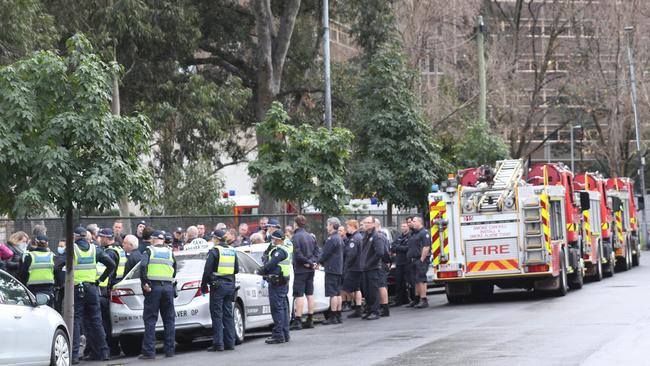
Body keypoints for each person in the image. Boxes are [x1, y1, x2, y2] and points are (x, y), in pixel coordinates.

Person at [65, 226, 116, 364]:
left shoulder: (72, 249)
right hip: (92, 289)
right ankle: (104, 352)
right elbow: (111, 264)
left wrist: (64, 283)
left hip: (76, 289)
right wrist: (99, 280)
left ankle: (74, 355)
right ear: (86, 237)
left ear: (75, 236)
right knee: (96, 320)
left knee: (75, 321)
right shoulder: (94, 249)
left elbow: (58, 266)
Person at [139, 230, 177, 359]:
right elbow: (175, 269)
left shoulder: (150, 251)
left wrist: (145, 283)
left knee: (150, 320)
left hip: (153, 288)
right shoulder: (169, 252)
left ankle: (149, 352)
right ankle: (170, 350)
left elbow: (143, 266)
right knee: (169, 319)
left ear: (153, 239)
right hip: (168, 287)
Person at [201, 230, 239, 352]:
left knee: (217, 315)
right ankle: (230, 343)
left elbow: (207, 270)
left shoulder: (215, 251)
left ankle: (218, 344)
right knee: (228, 314)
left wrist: (203, 285)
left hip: (218, 287)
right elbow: (236, 269)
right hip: (230, 286)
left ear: (216, 239)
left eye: (213, 238)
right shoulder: (232, 250)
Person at [256, 230, 291, 344]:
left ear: (277, 239)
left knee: (277, 309)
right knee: (283, 309)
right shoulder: (286, 248)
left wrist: (262, 270)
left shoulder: (279, 251)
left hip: (277, 283)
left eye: (273, 239)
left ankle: (278, 335)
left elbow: (272, 263)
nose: (272, 240)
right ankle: (285, 334)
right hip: (282, 282)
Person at [97, 228, 126, 355]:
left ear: (105, 238)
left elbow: (108, 270)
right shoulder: (119, 249)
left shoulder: (110, 252)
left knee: (106, 320)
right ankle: (114, 347)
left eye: (101, 237)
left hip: (109, 288)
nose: (99, 239)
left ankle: (112, 347)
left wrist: (100, 282)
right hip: (117, 286)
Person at [290, 215, 320, 330]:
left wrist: (307, 262)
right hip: (310, 269)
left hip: (301, 269)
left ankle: (298, 320)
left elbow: (297, 254)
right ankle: (310, 319)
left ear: (295, 224)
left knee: (299, 295)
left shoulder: (296, 237)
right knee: (310, 293)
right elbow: (318, 251)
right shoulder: (310, 236)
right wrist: (313, 262)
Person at [359, 216, 387, 321]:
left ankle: (375, 311)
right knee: (367, 291)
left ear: (373, 224)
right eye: (365, 222)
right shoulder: (365, 236)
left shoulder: (376, 236)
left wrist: (369, 263)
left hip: (373, 268)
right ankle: (369, 310)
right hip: (365, 268)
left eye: (368, 222)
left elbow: (380, 253)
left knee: (373, 290)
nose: (366, 224)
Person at [319, 218, 344, 325]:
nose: (326, 227)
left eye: (328, 225)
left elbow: (325, 254)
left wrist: (318, 262)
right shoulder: (339, 238)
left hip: (331, 268)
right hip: (338, 268)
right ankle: (338, 315)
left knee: (333, 294)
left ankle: (333, 316)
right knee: (337, 293)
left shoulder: (331, 239)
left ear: (332, 225)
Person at [18, 235, 55, 305]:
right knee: (48, 310)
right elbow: (56, 272)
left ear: (36, 242)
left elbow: (22, 274)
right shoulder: (52, 256)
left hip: (33, 289)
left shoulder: (29, 256)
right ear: (47, 243)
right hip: (48, 289)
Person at [408, 216, 431, 309]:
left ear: (419, 222)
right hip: (413, 259)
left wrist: (421, 259)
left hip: (420, 259)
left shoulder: (424, 233)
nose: (412, 223)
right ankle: (417, 299)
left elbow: (426, 247)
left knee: (421, 279)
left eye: (414, 221)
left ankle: (423, 299)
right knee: (416, 280)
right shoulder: (414, 233)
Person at [342, 220, 364, 318]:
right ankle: (358, 307)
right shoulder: (359, 237)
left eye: (348, 227)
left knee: (346, 288)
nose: (347, 229)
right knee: (356, 288)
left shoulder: (354, 238)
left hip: (353, 267)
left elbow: (351, 254)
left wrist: (346, 266)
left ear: (353, 226)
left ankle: (358, 305)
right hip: (358, 266)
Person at [391, 220, 412, 306]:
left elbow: (407, 248)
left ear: (408, 227)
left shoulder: (410, 236)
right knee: (399, 282)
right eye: (402, 226)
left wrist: (398, 247)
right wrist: (399, 247)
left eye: (404, 226)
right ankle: (399, 300)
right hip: (399, 262)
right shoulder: (399, 237)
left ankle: (413, 299)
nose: (403, 228)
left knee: (410, 281)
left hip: (407, 261)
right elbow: (393, 247)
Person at [375, 218, 391, 317]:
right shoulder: (381, 235)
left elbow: (383, 252)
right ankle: (382, 306)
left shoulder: (380, 236)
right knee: (381, 285)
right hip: (382, 263)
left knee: (381, 285)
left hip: (380, 264)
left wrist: (387, 261)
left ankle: (384, 308)